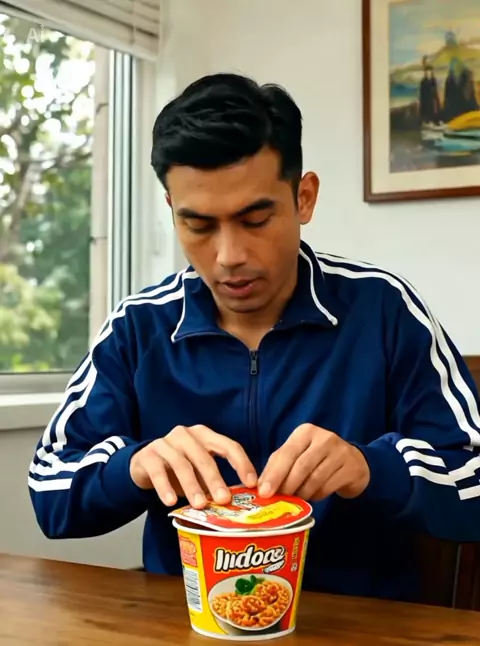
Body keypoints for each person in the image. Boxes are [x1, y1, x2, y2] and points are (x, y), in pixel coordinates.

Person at [29, 73, 480, 603]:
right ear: (172, 210)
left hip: (361, 622)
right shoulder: (139, 327)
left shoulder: (383, 309)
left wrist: (372, 468)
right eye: (199, 226)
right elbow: (49, 491)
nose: (229, 257)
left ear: (303, 198)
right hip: (188, 622)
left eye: (256, 219)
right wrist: (133, 466)